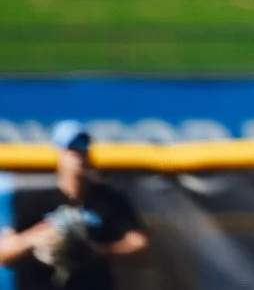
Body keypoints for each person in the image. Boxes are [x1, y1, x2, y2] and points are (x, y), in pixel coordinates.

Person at [0, 124, 148, 290]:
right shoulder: (33, 201)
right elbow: (4, 253)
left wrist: (101, 251)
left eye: (83, 148)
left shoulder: (108, 199)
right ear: (60, 153)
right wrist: (34, 238)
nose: (78, 155)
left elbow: (138, 243)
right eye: (72, 149)